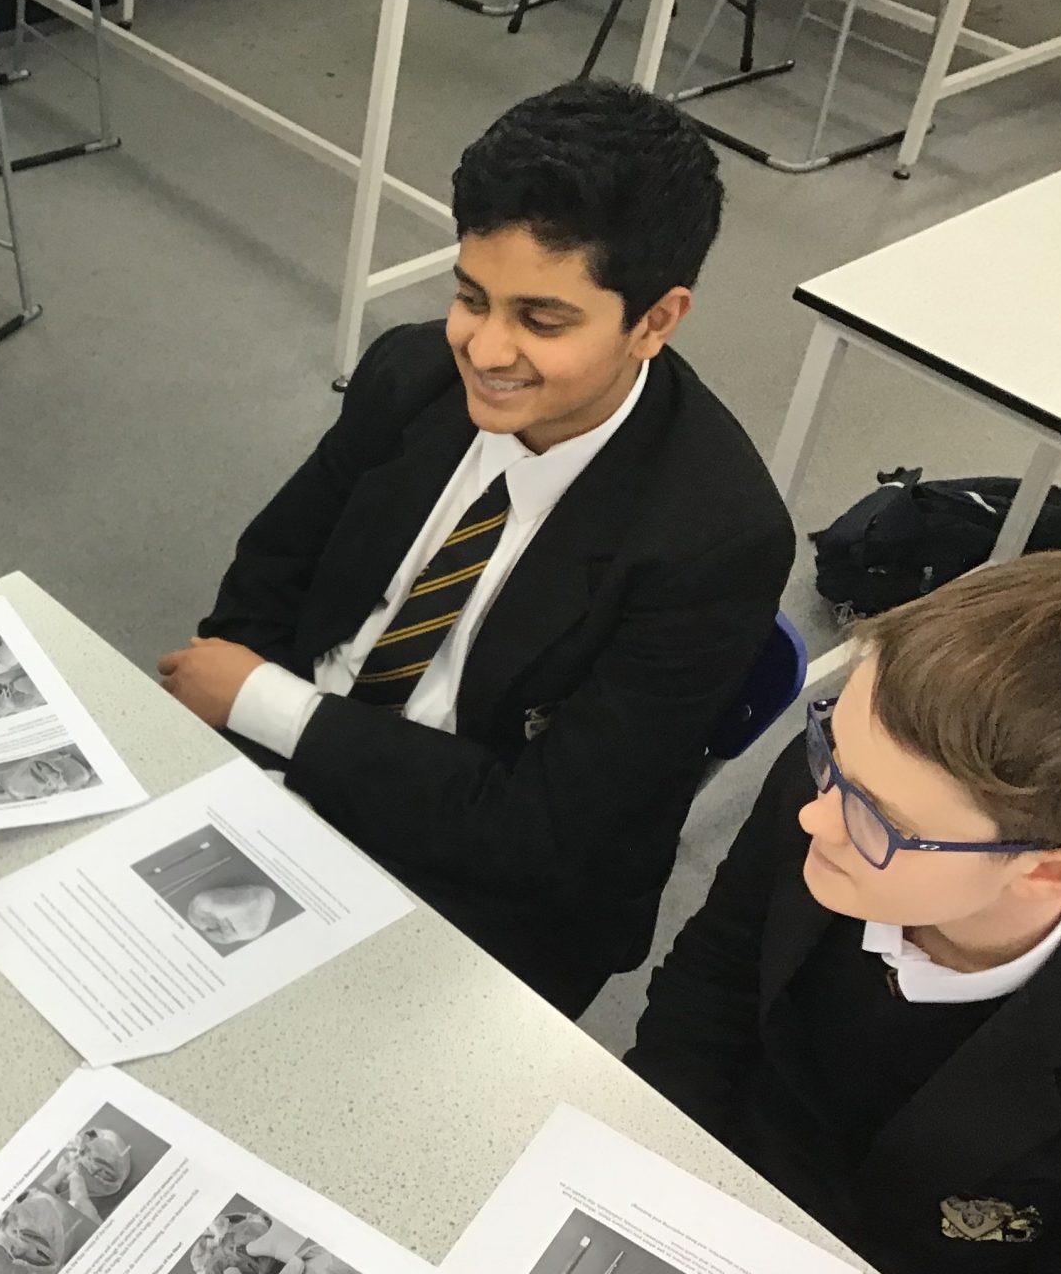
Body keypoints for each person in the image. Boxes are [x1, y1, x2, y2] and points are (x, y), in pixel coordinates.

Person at [161, 80, 794, 1016]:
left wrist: (270, 706)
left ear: (656, 321)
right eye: (470, 296)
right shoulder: (411, 373)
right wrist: (260, 751)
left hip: (483, 893)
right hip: (278, 767)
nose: (486, 350)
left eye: (543, 320)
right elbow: (269, 578)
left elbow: (542, 829)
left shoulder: (714, 537)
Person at [626, 553, 1061, 1274]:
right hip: (718, 1185)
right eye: (831, 746)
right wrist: (647, 1179)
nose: (815, 816)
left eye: (878, 821)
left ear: (1045, 873)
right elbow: (708, 992)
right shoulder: (839, 785)